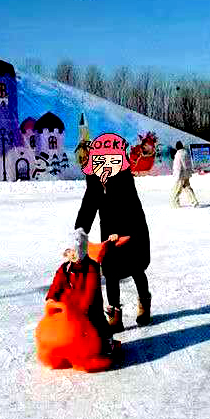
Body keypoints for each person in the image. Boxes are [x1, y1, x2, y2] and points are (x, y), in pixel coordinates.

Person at [75, 133, 152, 332]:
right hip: (108, 230)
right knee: (110, 272)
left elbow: (128, 204)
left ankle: (144, 302)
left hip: (131, 226)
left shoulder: (123, 176)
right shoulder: (93, 178)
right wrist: (81, 228)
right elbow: (89, 203)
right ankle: (114, 315)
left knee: (135, 268)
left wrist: (122, 231)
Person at [46, 228, 118, 354]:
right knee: (62, 323)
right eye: (68, 252)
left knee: (97, 321)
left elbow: (90, 291)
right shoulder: (64, 268)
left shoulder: (91, 268)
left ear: (81, 251)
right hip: (70, 305)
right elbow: (56, 284)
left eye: (74, 251)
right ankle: (64, 345)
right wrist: (51, 298)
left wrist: (83, 309)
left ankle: (107, 342)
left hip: (90, 305)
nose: (71, 255)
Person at [171, 141, 199, 208]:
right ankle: (194, 201)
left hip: (180, 175)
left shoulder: (178, 154)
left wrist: (177, 176)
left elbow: (178, 166)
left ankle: (175, 203)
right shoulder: (186, 153)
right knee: (187, 188)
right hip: (186, 174)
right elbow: (189, 164)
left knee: (177, 189)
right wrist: (189, 172)